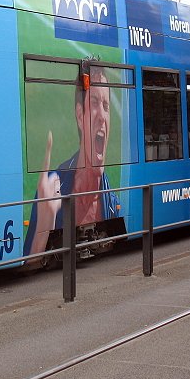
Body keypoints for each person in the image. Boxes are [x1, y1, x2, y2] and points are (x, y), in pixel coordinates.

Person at [24, 62, 120, 256]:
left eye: (106, 106)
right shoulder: (51, 189)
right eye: (94, 103)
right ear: (79, 116)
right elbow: (29, 264)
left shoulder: (112, 202)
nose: (102, 116)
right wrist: (44, 228)